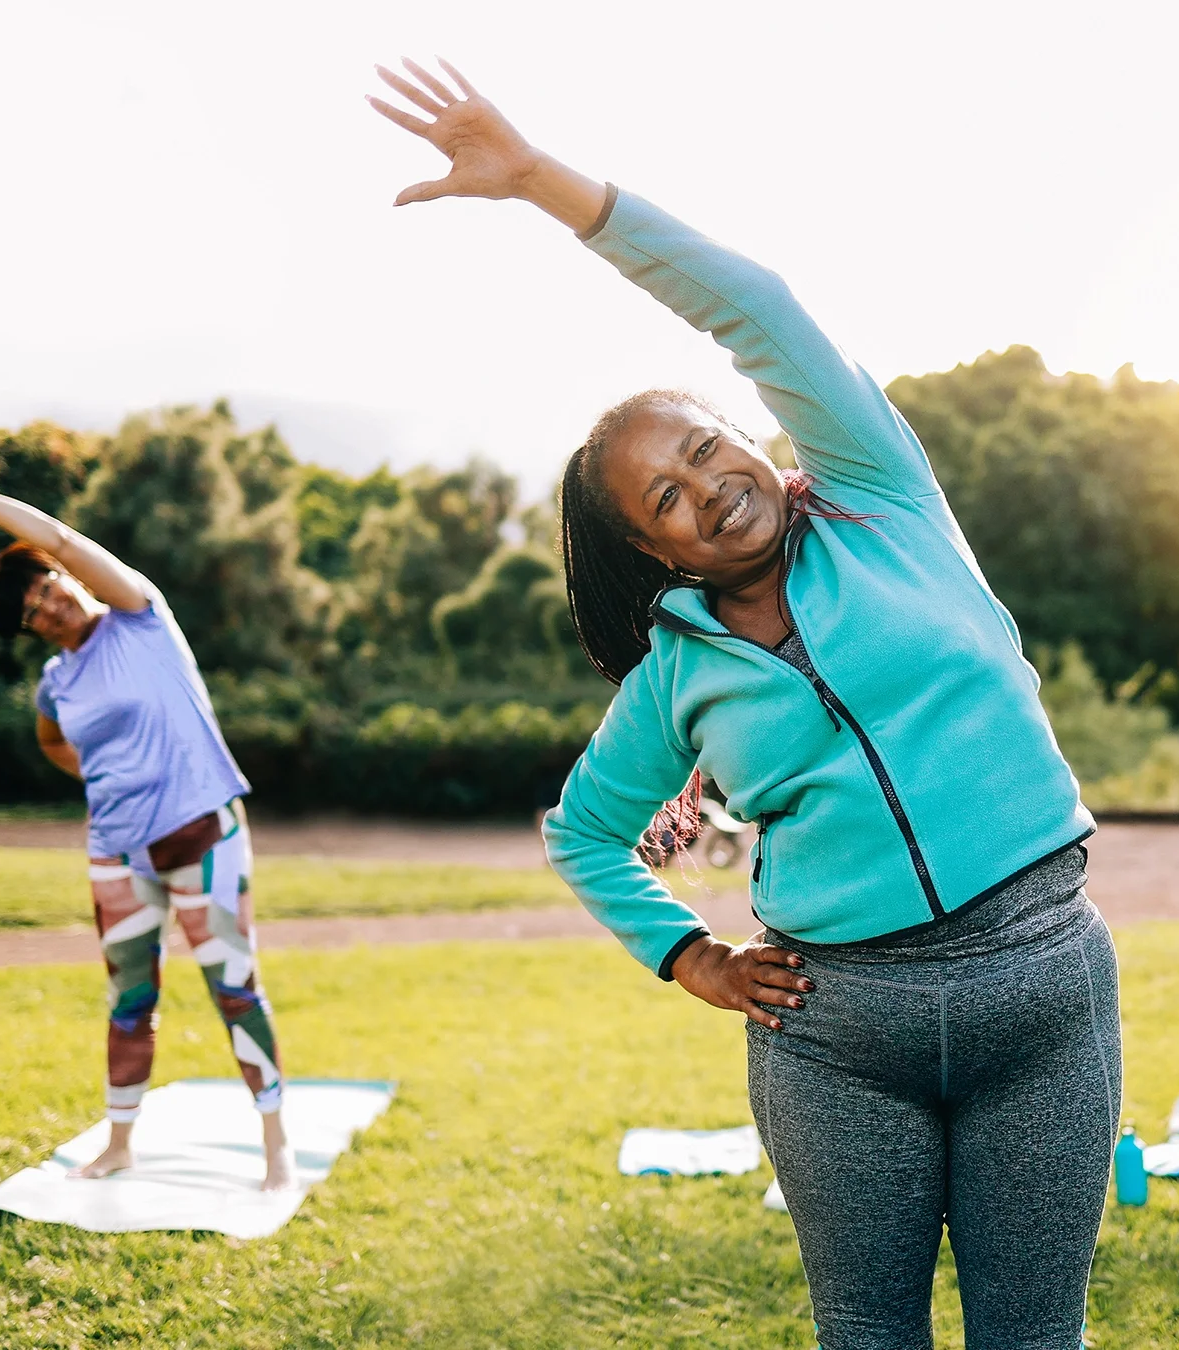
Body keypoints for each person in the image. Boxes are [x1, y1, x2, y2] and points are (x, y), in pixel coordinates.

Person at [368, 57, 1118, 1348]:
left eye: (708, 444)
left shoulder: (882, 497)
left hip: (1039, 990)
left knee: (1032, 1336)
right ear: (654, 553)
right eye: (667, 494)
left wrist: (544, 182)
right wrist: (691, 954)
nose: (708, 483)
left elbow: (755, 306)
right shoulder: (675, 678)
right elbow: (583, 830)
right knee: (867, 1332)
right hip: (840, 1036)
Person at [0, 449, 295, 1191]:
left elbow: (60, 536)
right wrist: (104, 776)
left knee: (234, 988)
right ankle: (119, 1143)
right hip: (117, 856)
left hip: (202, 836)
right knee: (130, 1001)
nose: (46, 606)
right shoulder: (56, 683)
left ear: (60, 574)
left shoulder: (139, 618)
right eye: (31, 613)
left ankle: (275, 1145)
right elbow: (52, 742)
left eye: (44, 586)